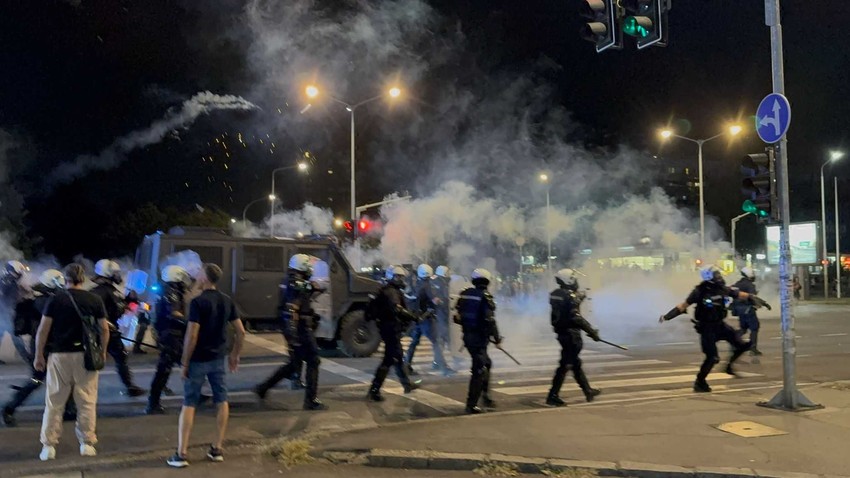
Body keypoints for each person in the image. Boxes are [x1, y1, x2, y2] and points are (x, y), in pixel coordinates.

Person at [167, 263, 245, 468]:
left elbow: (192, 335)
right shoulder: (227, 300)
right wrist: (235, 355)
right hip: (218, 359)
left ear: (204, 278)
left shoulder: (198, 302)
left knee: (189, 402)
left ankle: (181, 453)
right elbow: (241, 331)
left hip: (198, 359)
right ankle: (217, 448)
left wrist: (184, 362)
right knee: (221, 400)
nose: (196, 276)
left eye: (199, 273)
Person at [34, 263, 109, 461]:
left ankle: (48, 446)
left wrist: (39, 355)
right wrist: (102, 352)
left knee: (54, 402)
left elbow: (43, 330)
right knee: (86, 401)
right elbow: (104, 329)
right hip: (86, 356)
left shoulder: (55, 299)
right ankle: (87, 443)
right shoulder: (94, 299)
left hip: (59, 355)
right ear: (82, 279)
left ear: (65, 279)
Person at [659, 265, 771, 392]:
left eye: (718, 274)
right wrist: (667, 316)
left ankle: (728, 366)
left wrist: (756, 299)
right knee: (712, 358)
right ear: (709, 277)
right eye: (716, 275)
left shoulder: (722, 289)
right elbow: (683, 306)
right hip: (707, 328)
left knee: (743, 345)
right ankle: (700, 382)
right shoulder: (700, 291)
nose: (719, 277)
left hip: (720, 325)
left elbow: (740, 294)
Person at [3, 269, 78, 427]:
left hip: (47, 345)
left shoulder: (43, 300)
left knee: (63, 377)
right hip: (44, 346)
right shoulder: (45, 302)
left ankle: (70, 410)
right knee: (38, 380)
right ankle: (9, 408)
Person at [254, 254, 327, 410]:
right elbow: (293, 307)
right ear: (302, 266)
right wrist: (294, 334)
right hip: (300, 329)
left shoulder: (290, 280)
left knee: (294, 364)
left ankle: (263, 388)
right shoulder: (296, 282)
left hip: (295, 328)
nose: (310, 269)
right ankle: (310, 400)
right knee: (313, 361)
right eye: (308, 266)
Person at [546, 268, 601, 407]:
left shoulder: (556, 294)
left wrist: (579, 297)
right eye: (574, 279)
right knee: (565, 365)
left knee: (575, 363)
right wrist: (592, 332)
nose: (576, 281)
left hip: (562, 333)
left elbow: (566, 304)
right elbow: (576, 317)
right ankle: (552, 395)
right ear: (568, 280)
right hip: (571, 335)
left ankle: (587, 390)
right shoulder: (570, 296)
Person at [89, 260, 145, 397]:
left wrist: (130, 301)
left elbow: (119, 308)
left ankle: (130, 386)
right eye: (115, 273)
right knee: (92, 361)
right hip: (101, 332)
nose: (118, 276)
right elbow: (94, 313)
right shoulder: (99, 292)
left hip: (111, 332)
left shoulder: (112, 290)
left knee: (120, 357)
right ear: (107, 273)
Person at [367, 265, 421, 402]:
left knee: (398, 356)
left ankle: (407, 384)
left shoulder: (388, 290)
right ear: (392, 277)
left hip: (389, 328)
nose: (401, 279)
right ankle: (374, 390)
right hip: (390, 329)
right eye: (398, 277)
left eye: (401, 277)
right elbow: (397, 309)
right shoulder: (391, 292)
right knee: (389, 359)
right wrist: (413, 317)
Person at [147, 265, 193, 414]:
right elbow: (174, 313)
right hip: (171, 336)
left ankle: (195, 393)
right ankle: (153, 404)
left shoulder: (167, 290)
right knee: (165, 370)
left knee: (184, 365)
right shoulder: (171, 292)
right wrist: (189, 324)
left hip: (169, 335)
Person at [455, 268, 501, 414]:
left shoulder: (465, 294)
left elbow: (457, 316)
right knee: (479, 369)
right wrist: (497, 338)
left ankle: (485, 396)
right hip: (478, 338)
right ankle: (471, 405)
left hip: (468, 337)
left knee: (486, 363)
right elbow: (489, 320)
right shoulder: (485, 296)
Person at [404, 264, 451, 376]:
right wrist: (442, 302)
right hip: (425, 319)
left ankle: (406, 366)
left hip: (416, 318)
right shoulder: (427, 285)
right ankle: (443, 368)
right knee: (436, 342)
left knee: (414, 342)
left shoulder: (417, 284)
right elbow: (435, 300)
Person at [2, 260, 31, 362]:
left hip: (5, 312)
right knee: (15, 335)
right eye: (18, 272)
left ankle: (26, 356)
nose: (19, 275)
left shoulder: (6, 280)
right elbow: (11, 298)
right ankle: (26, 357)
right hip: (5, 312)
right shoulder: (8, 282)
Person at [732, 267, 763, 356]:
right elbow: (752, 297)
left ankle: (734, 341)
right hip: (748, 309)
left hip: (739, 310)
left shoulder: (737, 284)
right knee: (754, 327)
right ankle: (753, 348)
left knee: (743, 328)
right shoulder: (749, 285)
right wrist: (761, 303)